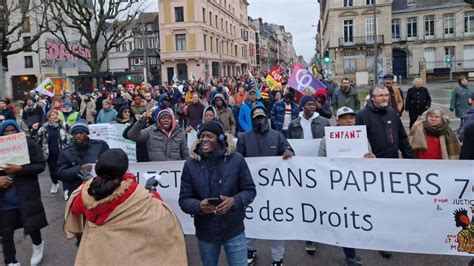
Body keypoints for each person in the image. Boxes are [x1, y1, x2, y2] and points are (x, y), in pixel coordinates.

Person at [65, 149, 187, 265]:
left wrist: (88, 183)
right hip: (128, 255)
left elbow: (76, 209)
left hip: (97, 253)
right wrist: (150, 190)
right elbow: (159, 216)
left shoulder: (86, 192)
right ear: (124, 171)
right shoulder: (136, 194)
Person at [179, 120, 256, 266]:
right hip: (206, 232)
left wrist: (234, 201)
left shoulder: (237, 160)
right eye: (202, 136)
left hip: (234, 229)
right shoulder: (190, 164)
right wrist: (198, 206)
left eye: (209, 136)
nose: (204, 140)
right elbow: (184, 199)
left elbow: (250, 190)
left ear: (220, 138)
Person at [310, 106, 375, 265]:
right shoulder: (327, 139)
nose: (349, 121)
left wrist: (371, 158)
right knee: (345, 221)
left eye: (351, 118)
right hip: (337, 188)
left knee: (356, 220)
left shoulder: (362, 138)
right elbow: (320, 162)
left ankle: (351, 253)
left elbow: (372, 160)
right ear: (337, 120)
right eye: (345, 118)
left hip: (357, 186)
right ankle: (351, 255)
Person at [237, 106, 294, 266]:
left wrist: (289, 151)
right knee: (251, 219)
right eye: (256, 118)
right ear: (252, 120)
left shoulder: (277, 136)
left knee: (276, 222)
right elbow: (237, 160)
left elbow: (288, 150)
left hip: (274, 191)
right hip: (250, 189)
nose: (259, 120)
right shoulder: (243, 137)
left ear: (266, 118)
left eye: (262, 117)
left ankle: (278, 258)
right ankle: (250, 250)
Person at [0, 120, 47, 266]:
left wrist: (21, 169)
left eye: (12, 130)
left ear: (17, 131)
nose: (9, 134)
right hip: (5, 200)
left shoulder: (29, 144)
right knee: (6, 233)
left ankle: (38, 246)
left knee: (32, 226)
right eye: (5, 131)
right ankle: (11, 262)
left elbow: (40, 165)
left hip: (26, 195)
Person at [57, 120, 110, 201]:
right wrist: (79, 168)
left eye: (81, 133)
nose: (78, 136)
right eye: (75, 133)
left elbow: (109, 165)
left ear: (87, 133)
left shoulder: (100, 146)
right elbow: (60, 173)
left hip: (97, 189)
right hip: (76, 190)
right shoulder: (66, 152)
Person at [356, 86, 414, 160]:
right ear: (372, 98)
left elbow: (402, 138)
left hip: (393, 160)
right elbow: (358, 142)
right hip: (373, 162)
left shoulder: (392, 113)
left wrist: (410, 157)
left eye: (387, 95)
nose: (385, 98)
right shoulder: (362, 116)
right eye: (381, 95)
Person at [35, 109, 69, 194]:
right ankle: (55, 183)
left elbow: (73, 132)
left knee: (65, 170)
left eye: (56, 114)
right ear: (49, 118)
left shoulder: (64, 125)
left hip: (63, 152)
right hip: (50, 153)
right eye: (53, 115)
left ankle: (66, 189)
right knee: (53, 170)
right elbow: (38, 138)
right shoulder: (44, 127)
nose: (55, 116)